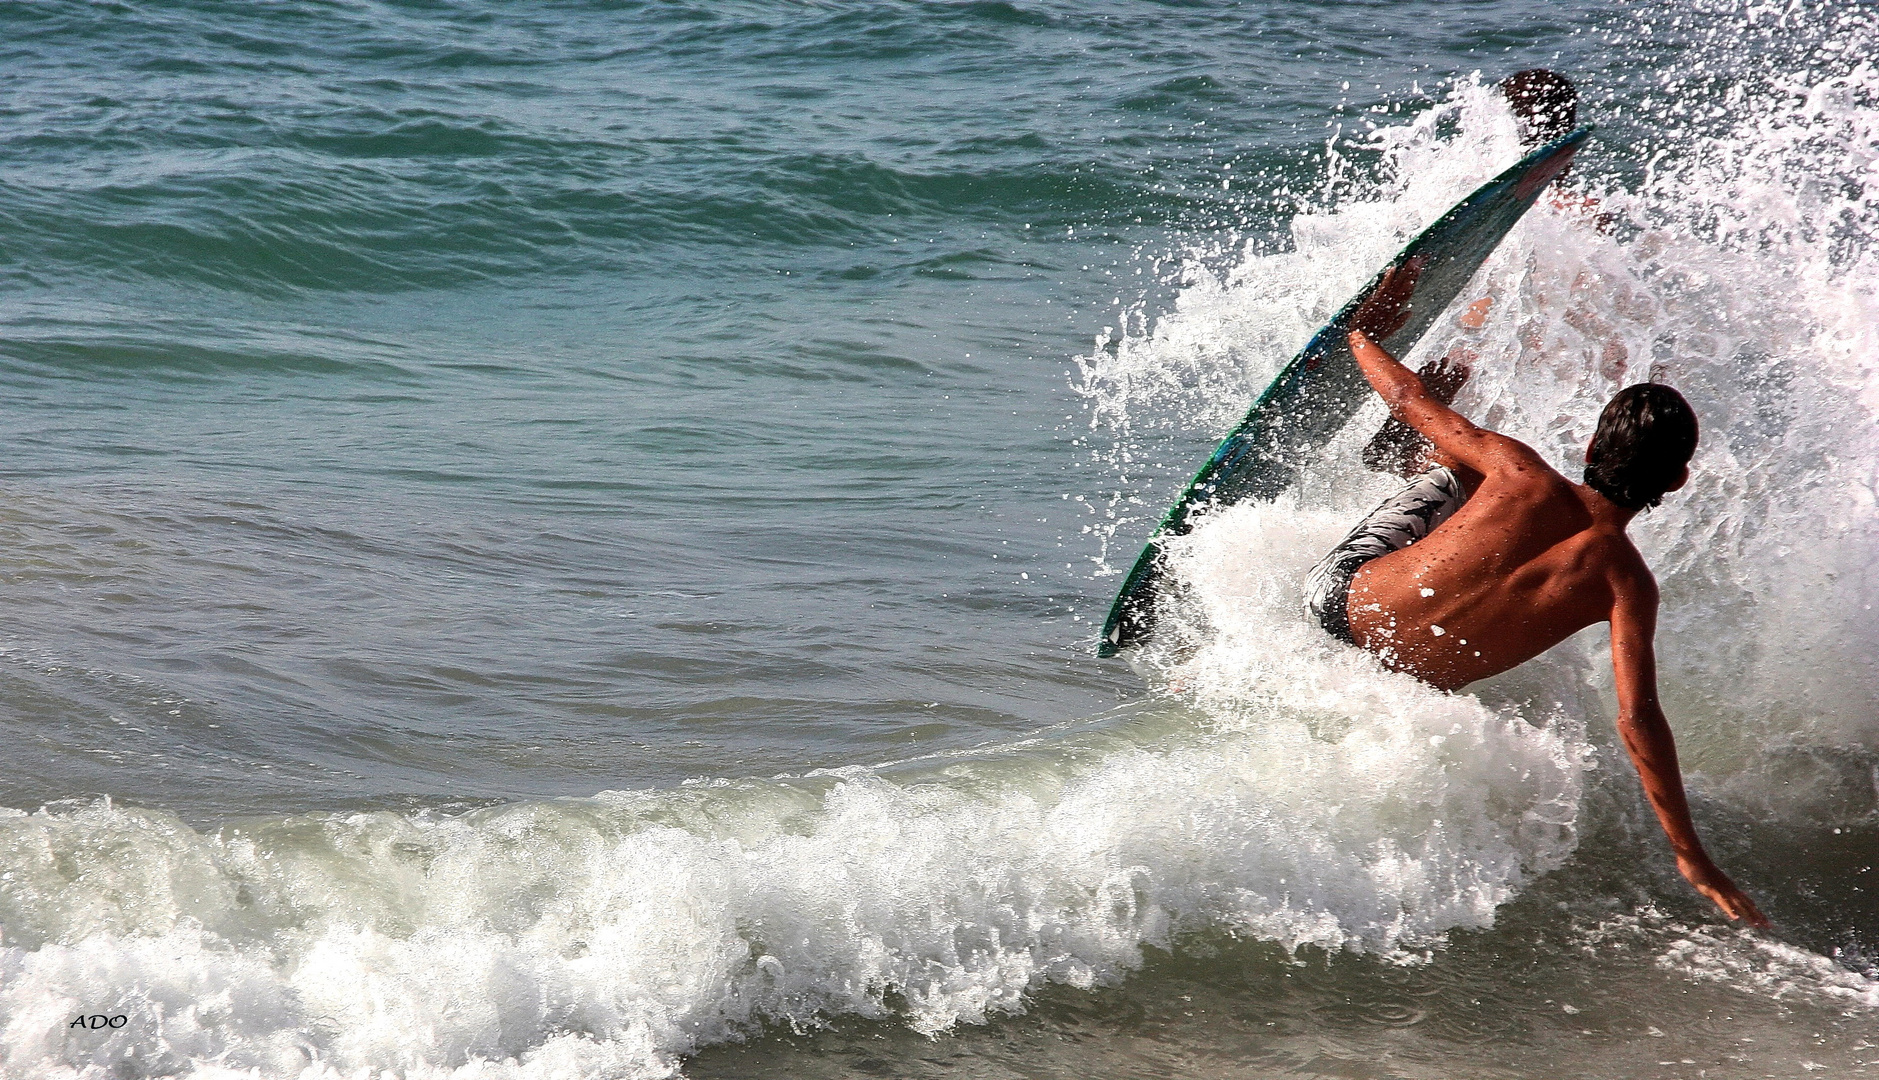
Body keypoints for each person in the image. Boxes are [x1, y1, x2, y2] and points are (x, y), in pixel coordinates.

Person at [1303, 262, 1769, 928]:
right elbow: (1638, 720)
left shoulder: (1519, 471)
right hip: (1401, 680)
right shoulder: (1627, 583)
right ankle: (1407, 465)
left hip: (1335, 603)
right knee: (1474, 478)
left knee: (1464, 467)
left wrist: (1359, 335)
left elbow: (1407, 399)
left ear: (1589, 445)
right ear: (1679, 478)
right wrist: (1689, 854)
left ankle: (1402, 464)